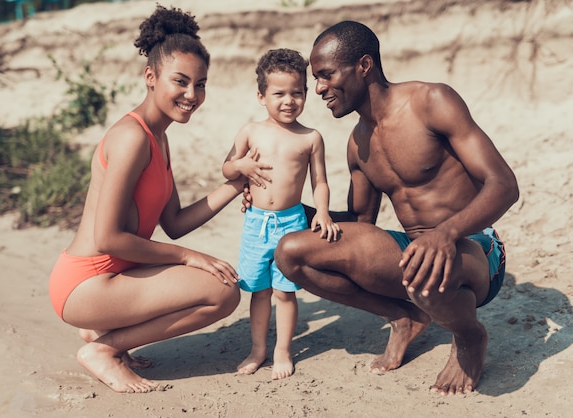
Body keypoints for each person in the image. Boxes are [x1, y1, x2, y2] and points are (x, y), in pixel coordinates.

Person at [244, 21, 518, 394]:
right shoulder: (358, 144)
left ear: (364, 65)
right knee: (291, 253)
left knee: (423, 264)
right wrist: (283, 207)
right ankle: (403, 317)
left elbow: (504, 185)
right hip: (418, 250)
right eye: (316, 79)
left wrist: (446, 233)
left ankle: (469, 337)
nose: (319, 88)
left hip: (476, 247)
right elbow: (359, 223)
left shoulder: (431, 101)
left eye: (326, 75)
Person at [48, 5, 245, 394]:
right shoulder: (132, 138)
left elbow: (173, 222)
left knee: (219, 282)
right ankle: (105, 348)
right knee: (223, 293)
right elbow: (107, 239)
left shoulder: (159, 138)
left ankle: (107, 333)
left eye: (201, 84)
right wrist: (190, 256)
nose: (192, 94)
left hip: (111, 277)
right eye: (181, 81)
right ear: (150, 77)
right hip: (85, 283)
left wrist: (236, 186)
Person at [223, 48, 340, 380]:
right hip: (256, 223)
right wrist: (241, 165)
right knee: (259, 291)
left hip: (292, 224)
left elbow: (320, 181)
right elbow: (227, 168)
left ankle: (282, 351)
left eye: (297, 93)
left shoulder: (310, 138)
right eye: (279, 94)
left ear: (305, 94)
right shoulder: (250, 131)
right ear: (262, 96)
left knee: (284, 292)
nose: (289, 101)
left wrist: (323, 213)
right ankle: (258, 349)